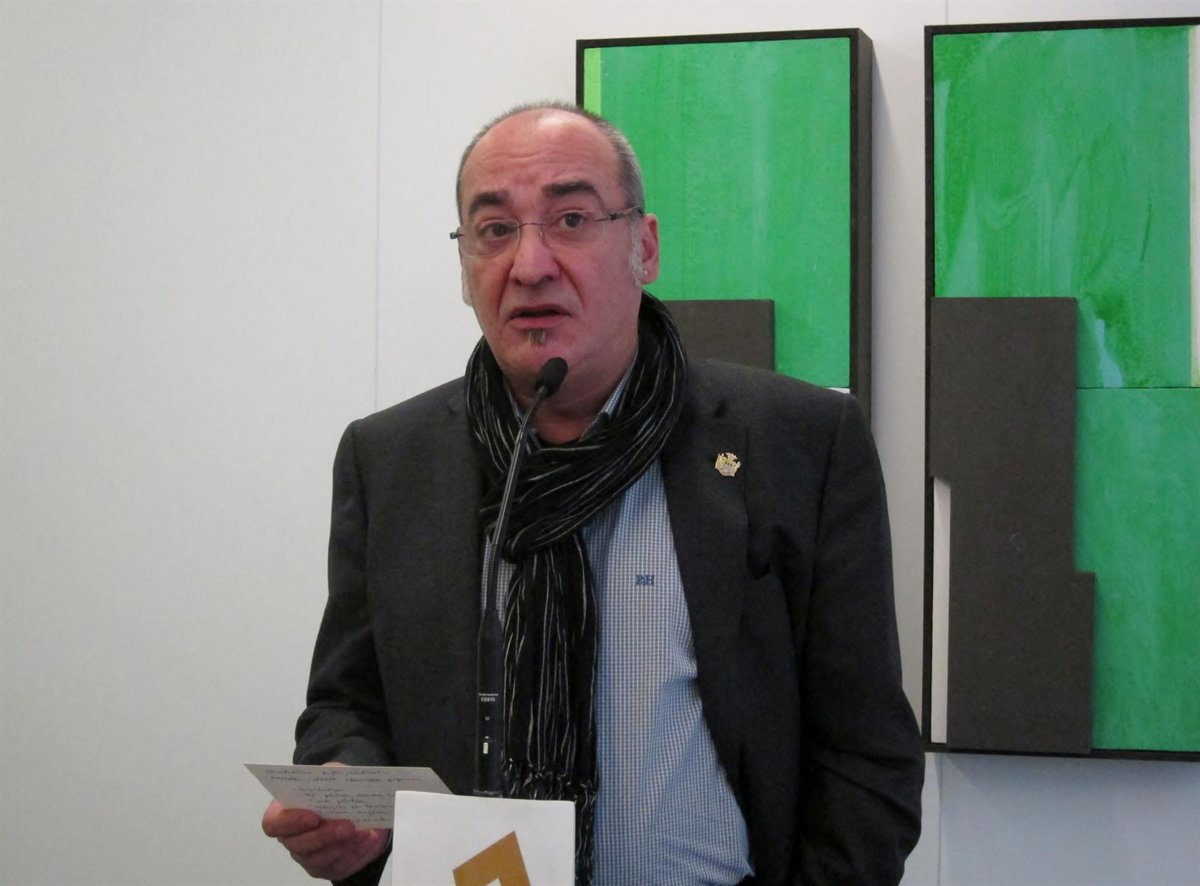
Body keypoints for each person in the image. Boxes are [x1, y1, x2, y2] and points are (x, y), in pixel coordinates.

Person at [263, 101, 924, 885]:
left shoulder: (797, 442)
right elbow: (347, 705)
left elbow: (864, 754)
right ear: (465, 266)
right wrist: (344, 788)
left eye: (571, 219)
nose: (530, 264)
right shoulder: (391, 459)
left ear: (644, 246)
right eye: (494, 230)